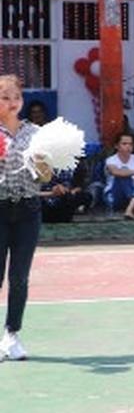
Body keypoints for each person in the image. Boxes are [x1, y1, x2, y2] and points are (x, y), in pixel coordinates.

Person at [0, 75, 54, 361]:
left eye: (16, 97)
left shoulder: (35, 132)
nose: (12, 103)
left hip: (28, 211)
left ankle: (11, 335)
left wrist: (41, 164)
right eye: (5, 97)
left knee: (19, 277)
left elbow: (46, 176)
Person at [104, 130, 134, 218]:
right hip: (115, 197)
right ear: (116, 146)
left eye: (130, 144)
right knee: (123, 176)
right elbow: (116, 172)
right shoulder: (111, 160)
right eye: (124, 144)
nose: (128, 147)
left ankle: (130, 209)